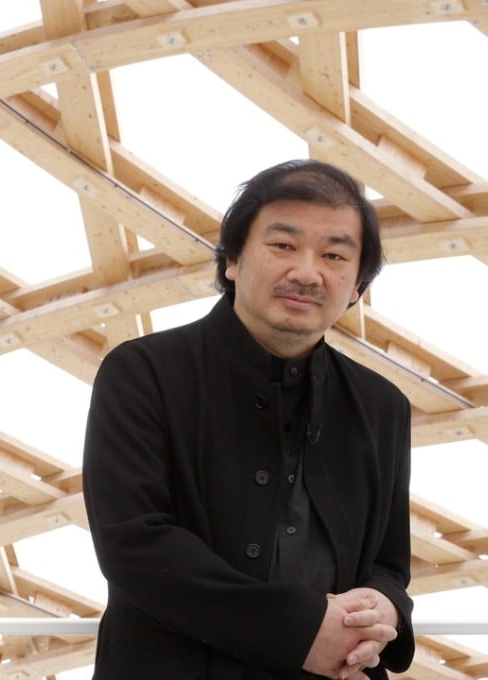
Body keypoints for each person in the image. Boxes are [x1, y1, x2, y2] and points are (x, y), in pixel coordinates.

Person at [82, 159, 414, 679]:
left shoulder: (382, 406)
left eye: (334, 255)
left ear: (355, 287)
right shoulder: (142, 371)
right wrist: (302, 630)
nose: (307, 272)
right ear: (233, 259)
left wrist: (384, 606)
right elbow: (134, 544)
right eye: (283, 245)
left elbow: (390, 564)